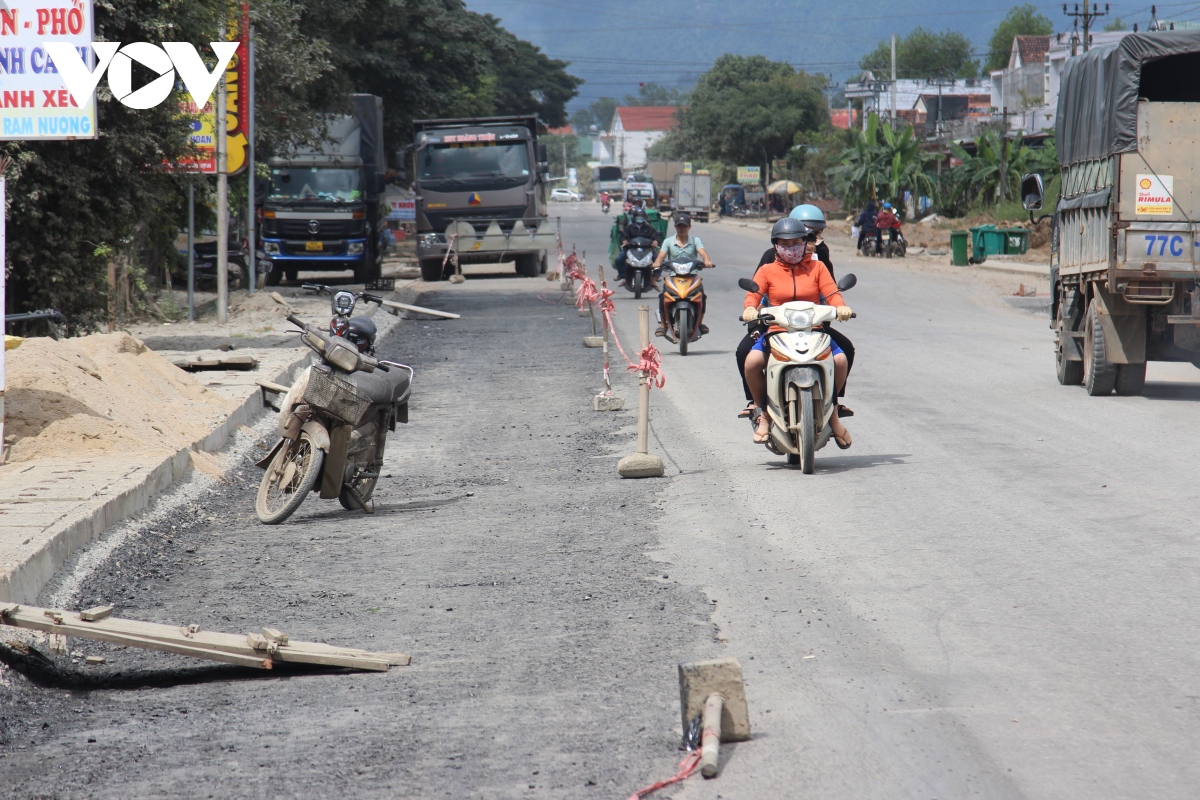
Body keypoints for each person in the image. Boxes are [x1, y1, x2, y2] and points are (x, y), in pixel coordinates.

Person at [741, 217, 853, 448]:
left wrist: (840, 307)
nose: (791, 248)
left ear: (805, 243)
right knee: (751, 362)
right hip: (778, 330)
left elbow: (831, 293)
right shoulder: (767, 270)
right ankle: (763, 412)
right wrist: (750, 309)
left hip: (814, 330)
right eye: (785, 244)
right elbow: (753, 294)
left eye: (796, 243)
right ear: (776, 246)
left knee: (840, 360)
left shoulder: (818, 267)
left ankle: (831, 414)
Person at [652, 212, 713, 336]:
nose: (682, 228)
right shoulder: (668, 241)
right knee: (663, 296)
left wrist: (706, 261)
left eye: (684, 226)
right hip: (674, 277)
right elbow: (661, 256)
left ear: (689, 227)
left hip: (692, 276)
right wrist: (657, 262)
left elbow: (703, 253)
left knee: (702, 296)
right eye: (679, 226)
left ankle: (700, 323)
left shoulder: (696, 241)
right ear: (675, 227)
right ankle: (663, 325)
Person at [614, 208, 660, 286]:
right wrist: (624, 241)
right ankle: (624, 277)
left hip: (647, 249)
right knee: (619, 259)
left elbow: (655, 236)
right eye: (638, 217)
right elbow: (623, 236)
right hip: (631, 248)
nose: (640, 218)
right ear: (634, 217)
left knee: (658, 260)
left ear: (645, 217)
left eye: (641, 217)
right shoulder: (629, 227)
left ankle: (654, 279)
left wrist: (655, 241)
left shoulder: (649, 227)